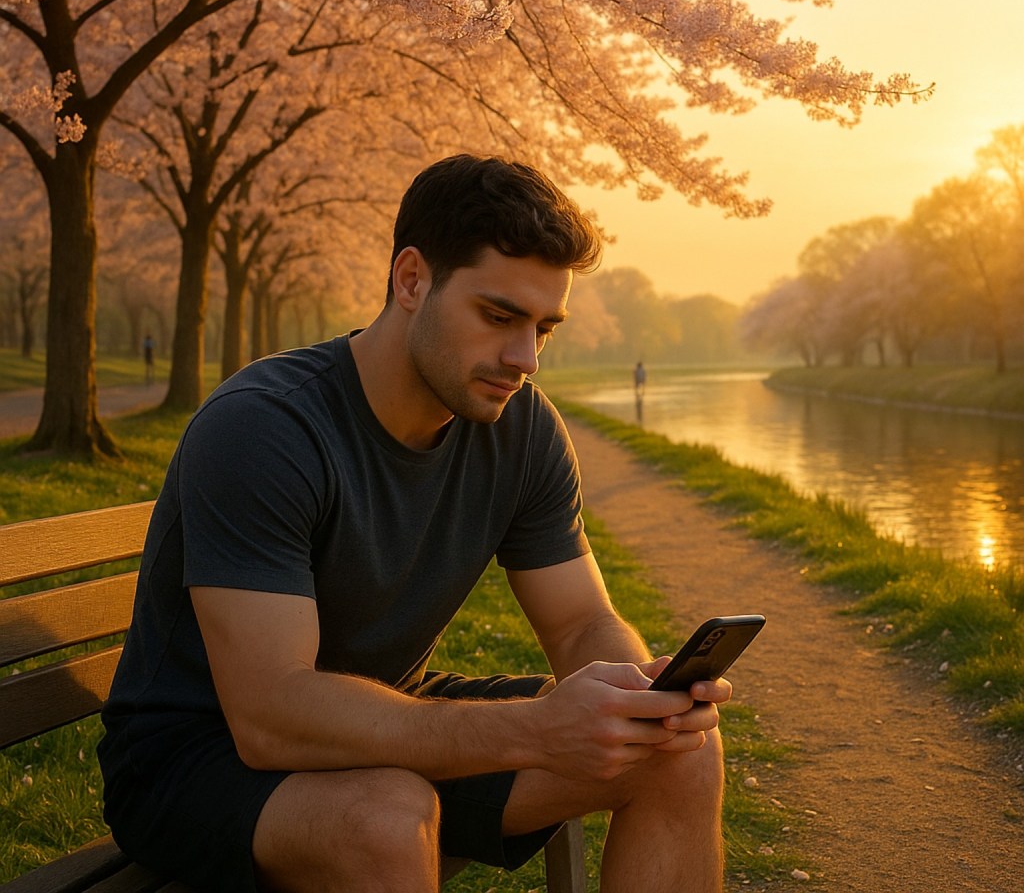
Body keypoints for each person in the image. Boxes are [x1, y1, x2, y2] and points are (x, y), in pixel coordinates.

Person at [98, 153, 731, 893]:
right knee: (387, 817)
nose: (524, 357)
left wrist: (636, 693)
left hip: (387, 726)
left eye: (543, 328)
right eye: (499, 316)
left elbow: (581, 621)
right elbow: (271, 714)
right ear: (410, 280)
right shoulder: (264, 428)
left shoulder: (521, 428)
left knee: (674, 754)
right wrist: (536, 727)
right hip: (201, 760)